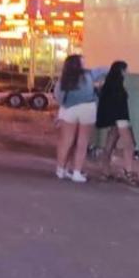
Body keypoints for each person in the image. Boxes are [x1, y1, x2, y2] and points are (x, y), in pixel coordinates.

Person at [54, 54, 104, 183]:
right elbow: (105, 69)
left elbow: (58, 95)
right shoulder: (89, 75)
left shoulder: (64, 78)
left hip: (69, 109)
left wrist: (65, 105)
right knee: (82, 142)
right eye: (83, 62)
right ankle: (77, 172)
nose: (85, 64)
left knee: (66, 141)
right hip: (87, 108)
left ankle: (60, 170)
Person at [96, 61, 139, 183]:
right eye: (126, 69)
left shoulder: (108, 84)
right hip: (121, 118)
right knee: (129, 144)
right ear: (121, 70)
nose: (127, 72)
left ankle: (105, 171)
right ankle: (128, 172)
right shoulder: (118, 85)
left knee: (109, 145)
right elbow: (120, 104)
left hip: (112, 120)